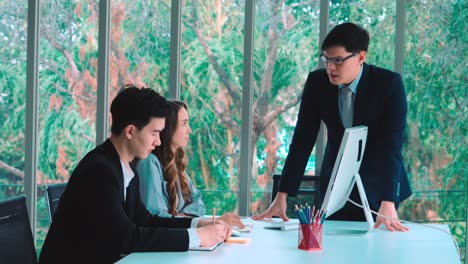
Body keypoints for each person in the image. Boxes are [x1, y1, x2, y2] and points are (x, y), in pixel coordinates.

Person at [38, 85, 230, 264]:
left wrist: (197, 224)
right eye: (154, 133)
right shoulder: (99, 171)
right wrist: (197, 238)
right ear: (130, 131)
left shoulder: (123, 167)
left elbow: (146, 220)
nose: (158, 142)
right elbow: (127, 238)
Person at [252, 22, 411, 232]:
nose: (330, 68)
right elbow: (302, 140)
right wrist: (282, 195)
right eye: (326, 60)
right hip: (334, 185)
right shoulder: (317, 83)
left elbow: (393, 146)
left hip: (380, 185)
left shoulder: (388, 84)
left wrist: (388, 199)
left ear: (361, 57)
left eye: (338, 61)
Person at [137, 100, 245, 228]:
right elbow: (156, 218)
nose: (190, 130)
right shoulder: (149, 163)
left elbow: (199, 202)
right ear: (168, 129)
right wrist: (200, 222)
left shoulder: (175, 164)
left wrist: (180, 218)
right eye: (184, 124)